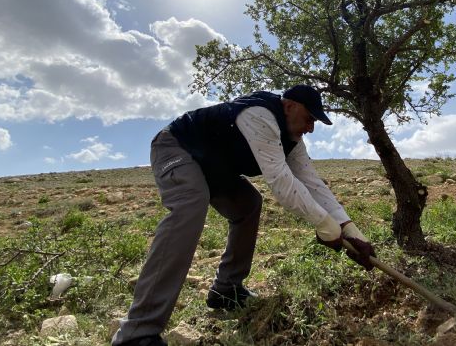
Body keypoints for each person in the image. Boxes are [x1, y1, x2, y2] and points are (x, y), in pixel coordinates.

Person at [112, 85, 376, 346]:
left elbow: (313, 184)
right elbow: (282, 182)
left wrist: (349, 229)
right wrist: (324, 225)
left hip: (213, 166)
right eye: (309, 118)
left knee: (247, 204)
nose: (311, 128)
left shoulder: (293, 142)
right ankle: (138, 332)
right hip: (178, 148)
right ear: (289, 106)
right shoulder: (260, 115)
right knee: (190, 203)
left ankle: (226, 291)